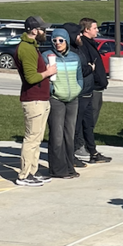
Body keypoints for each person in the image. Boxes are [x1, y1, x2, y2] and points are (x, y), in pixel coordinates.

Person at [15, 15, 56, 187]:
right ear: (33, 30)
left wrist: (45, 70)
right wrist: (48, 72)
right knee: (31, 138)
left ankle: (33, 170)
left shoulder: (32, 46)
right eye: (42, 29)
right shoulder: (26, 48)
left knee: (37, 139)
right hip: (34, 99)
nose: (45, 32)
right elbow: (31, 78)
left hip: (41, 98)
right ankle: (24, 175)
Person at [46, 27, 84, 179]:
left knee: (69, 134)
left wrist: (78, 88)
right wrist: (52, 90)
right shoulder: (46, 56)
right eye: (54, 40)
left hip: (73, 99)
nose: (57, 43)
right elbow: (45, 78)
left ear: (67, 41)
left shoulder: (74, 57)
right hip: (56, 100)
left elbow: (79, 76)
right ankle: (57, 169)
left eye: (61, 40)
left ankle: (69, 167)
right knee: (56, 134)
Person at [74, 18, 111, 165]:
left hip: (96, 87)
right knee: (86, 119)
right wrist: (95, 76)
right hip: (90, 88)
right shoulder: (83, 45)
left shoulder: (90, 43)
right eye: (94, 28)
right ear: (86, 29)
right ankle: (79, 146)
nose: (97, 30)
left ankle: (91, 150)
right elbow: (88, 66)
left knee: (90, 120)